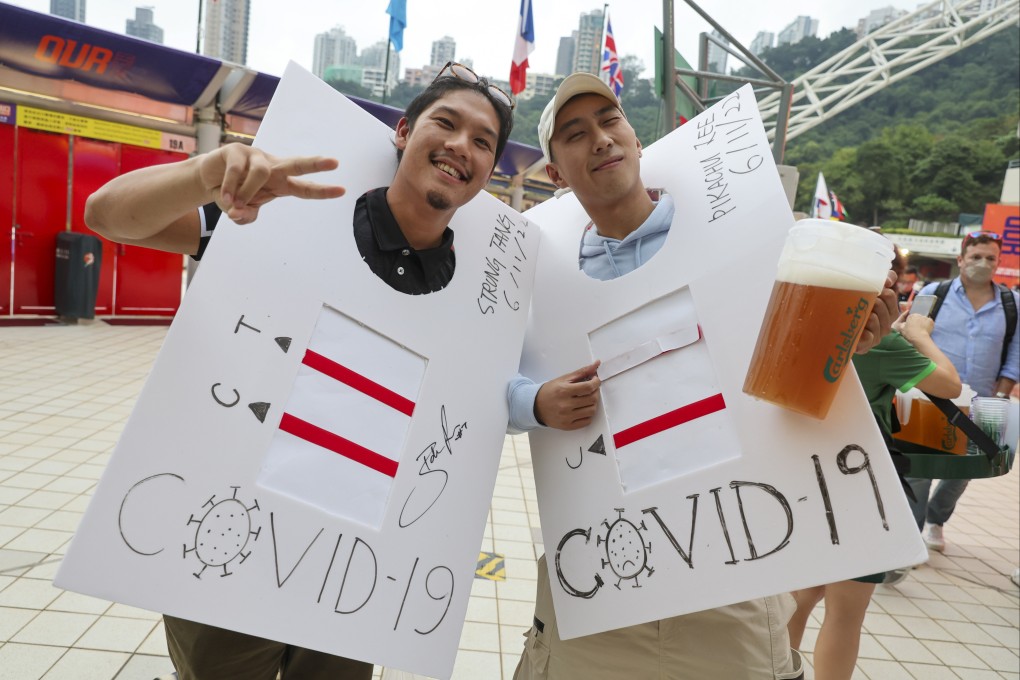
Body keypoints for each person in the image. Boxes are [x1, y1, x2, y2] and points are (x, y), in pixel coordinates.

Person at [85, 63, 514, 680]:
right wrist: (207, 173)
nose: (460, 146)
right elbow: (106, 216)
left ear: (489, 171)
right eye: (445, 124)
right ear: (402, 130)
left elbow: (500, 393)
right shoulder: (283, 215)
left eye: (482, 141)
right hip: (228, 543)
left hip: (353, 571)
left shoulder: (483, 295)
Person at [507, 72, 900, 680]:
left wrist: (853, 341)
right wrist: (535, 401)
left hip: (732, 571)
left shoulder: (755, 242)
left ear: (638, 139)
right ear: (554, 172)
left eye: (611, 122)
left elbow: (800, 366)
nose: (602, 140)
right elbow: (481, 386)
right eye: (576, 134)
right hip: (599, 572)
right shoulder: (539, 275)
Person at [787, 307, 961, 680]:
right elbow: (949, 385)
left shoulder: (800, 323)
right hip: (863, 486)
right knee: (845, 613)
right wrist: (918, 334)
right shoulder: (882, 343)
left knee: (797, 601)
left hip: (801, 480)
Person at [906, 231, 1019, 553]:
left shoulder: (1012, 304)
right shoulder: (934, 292)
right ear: (961, 260)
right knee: (920, 469)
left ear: (998, 262)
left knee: (966, 470)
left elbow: (1015, 352)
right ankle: (911, 538)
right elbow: (911, 338)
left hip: (985, 401)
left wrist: (1002, 392)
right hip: (931, 397)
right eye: (975, 257)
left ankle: (936, 519)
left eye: (990, 258)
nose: (982, 263)